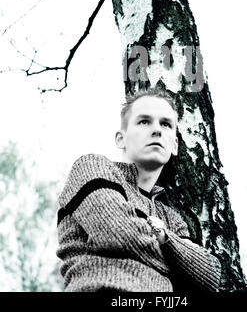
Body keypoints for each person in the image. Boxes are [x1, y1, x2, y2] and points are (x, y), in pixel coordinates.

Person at [56, 88, 221, 292]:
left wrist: (164, 236)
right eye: (144, 121)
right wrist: (177, 260)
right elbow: (116, 234)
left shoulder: (171, 218)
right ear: (120, 139)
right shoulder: (93, 167)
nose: (157, 130)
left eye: (166, 124)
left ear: (175, 145)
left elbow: (210, 275)